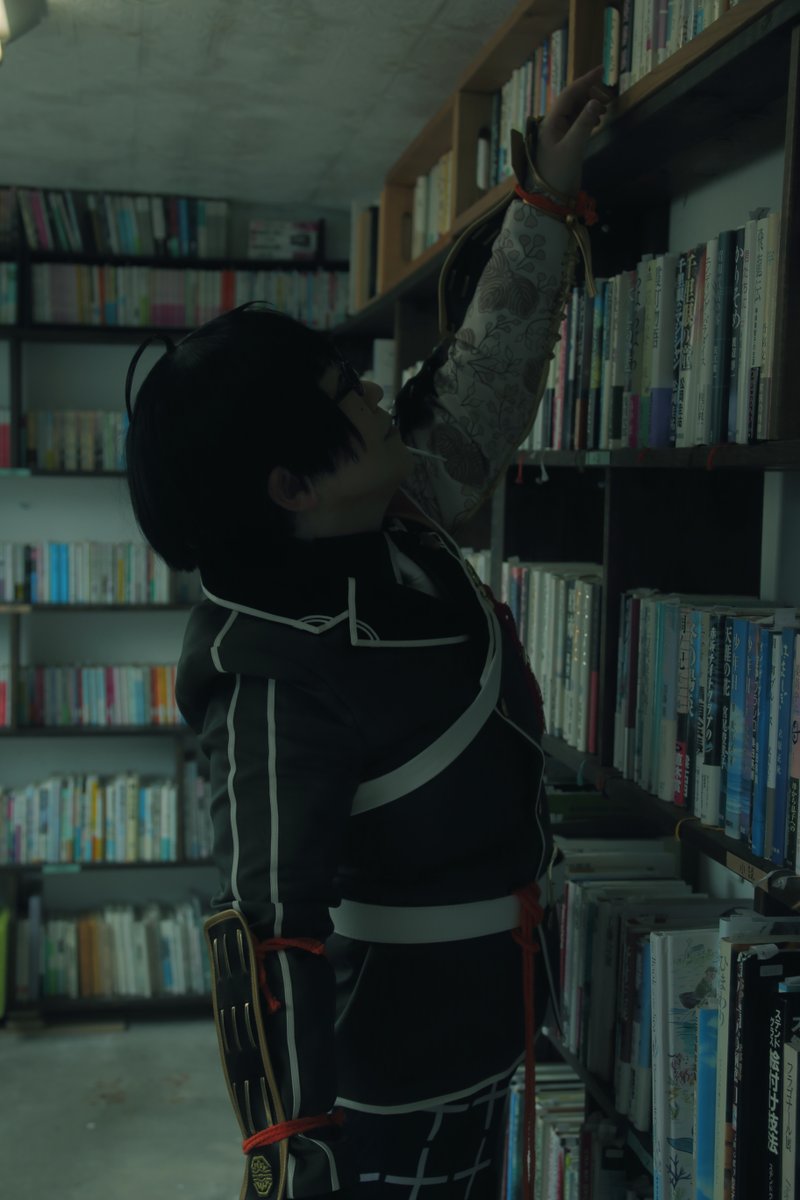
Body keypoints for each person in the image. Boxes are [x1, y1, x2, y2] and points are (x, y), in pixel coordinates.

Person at [124, 64, 611, 1200]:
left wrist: (544, 196)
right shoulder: (264, 662)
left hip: (497, 1020)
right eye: (345, 393)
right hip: (385, 1086)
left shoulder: (389, 520)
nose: (376, 394)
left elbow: (478, 388)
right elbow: (264, 930)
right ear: (291, 485)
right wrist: (294, 1154)